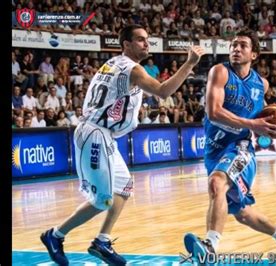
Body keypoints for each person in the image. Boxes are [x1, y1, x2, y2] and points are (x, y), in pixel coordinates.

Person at [40, 24, 205, 265]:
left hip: (102, 134)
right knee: (102, 200)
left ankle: (102, 241)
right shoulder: (133, 69)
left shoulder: (115, 64)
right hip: (96, 133)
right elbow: (162, 91)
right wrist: (188, 63)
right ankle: (54, 235)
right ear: (126, 44)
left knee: (124, 186)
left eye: (147, 39)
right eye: (140, 40)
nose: (146, 43)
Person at [183, 29, 276, 264]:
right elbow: (213, 113)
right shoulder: (220, 72)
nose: (236, 48)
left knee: (216, 183)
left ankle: (209, 247)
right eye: (233, 45)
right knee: (242, 213)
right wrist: (253, 123)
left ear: (254, 54)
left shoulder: (261, 84)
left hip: (240, 147)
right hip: (214, 148)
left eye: (243, 45)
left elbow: (264, 118)